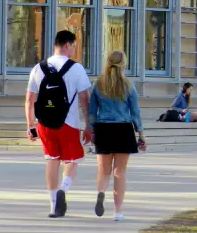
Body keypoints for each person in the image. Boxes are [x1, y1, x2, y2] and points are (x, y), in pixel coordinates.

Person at [24, 30, 92, 219]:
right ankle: (64, 188)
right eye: (74, 47)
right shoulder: (76, 68)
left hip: (44, 124)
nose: (74, 51)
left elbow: (30, 100)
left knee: (51, 160)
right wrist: (88, 125)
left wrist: (31, 126)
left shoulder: (38, 68)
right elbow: (85, 99)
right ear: (67, 45)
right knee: (72, 160)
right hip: (68, 123)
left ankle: (53, 206)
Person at [89, 51, 145, 222]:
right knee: (119, 172)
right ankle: (117, 211)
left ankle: (100, 193)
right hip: (123, 129)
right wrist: (141, 135)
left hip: (103, 129)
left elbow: (92, 112)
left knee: (103, 170)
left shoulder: (98, 84)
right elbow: (135, 113)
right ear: (124, 65)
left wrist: (92, 131)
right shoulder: (129, 85)